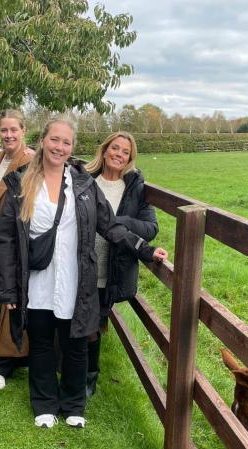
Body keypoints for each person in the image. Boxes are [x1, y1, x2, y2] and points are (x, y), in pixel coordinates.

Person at [0, 118, 168, 429]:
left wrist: (144, 249)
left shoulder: (82, 184)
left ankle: (74, 403)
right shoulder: (21, 183)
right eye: (55, 140)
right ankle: (44, 404)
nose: (60, 147)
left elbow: (111, 226)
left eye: (66, 143)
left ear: (72, 148)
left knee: (76, 343)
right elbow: (6, 239)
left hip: (76, 280)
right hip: (37, 281)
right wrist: (9, 288)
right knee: (43, 342)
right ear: (43, 140)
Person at [83, 132, 158, 398]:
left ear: (129, 158)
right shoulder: (85, 179)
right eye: (114, 148)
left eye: (125, 152)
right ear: (104, 151)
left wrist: (118, 221)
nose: (118, 154)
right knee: (77, 318)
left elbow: (150, 228)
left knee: (94, 323)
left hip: (111, 266)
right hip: (81, 263)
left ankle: (90, 376)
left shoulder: (135, 187)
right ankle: (73, 368)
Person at [0, 109, 33, 391]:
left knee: (9, 302)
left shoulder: (30, 162)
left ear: (23, 131)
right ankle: (13, 356)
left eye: (14, 130)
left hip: (13, 245)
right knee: (0, 299)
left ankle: (1, 364)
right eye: (4, 131)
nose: (9, 135)